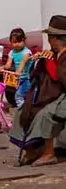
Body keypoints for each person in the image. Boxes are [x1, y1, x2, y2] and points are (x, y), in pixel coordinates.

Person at [10, 16, 66, 165]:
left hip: (63, 96)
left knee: (45, 113)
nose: (48, 40)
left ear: (57, 38)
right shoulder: (52, 53)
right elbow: (40, 76)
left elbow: (61, 77)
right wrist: (40, 62)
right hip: (53, 95)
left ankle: (49, 153)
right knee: (26, 109)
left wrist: (51, 62)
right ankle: (31, 149)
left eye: (50, 37)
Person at [0, 27, 33, 107]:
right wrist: (2, 67)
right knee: (21, 96)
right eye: (14, 42)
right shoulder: (12, 52)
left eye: (19, 41)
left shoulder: (27, 52)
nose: (17, 44)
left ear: (24, 40)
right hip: (17, 79)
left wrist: (18, 71)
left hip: (27, 78)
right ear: (10, 42)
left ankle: (21, 115)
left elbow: (23, 62)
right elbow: (8, 64)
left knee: (18, 96)